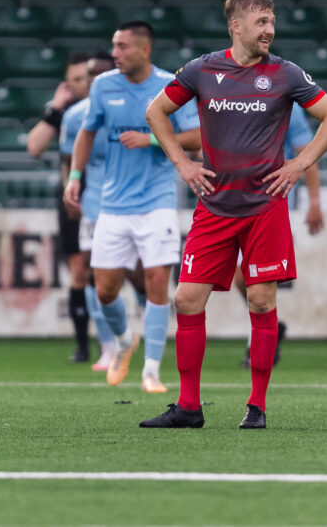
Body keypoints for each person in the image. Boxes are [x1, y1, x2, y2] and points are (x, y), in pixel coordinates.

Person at [140, 0, 327, 429]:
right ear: (236, 26)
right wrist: (181, 162)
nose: (269, 30)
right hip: (214, 206)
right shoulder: (202, 70)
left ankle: (257, 406)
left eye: (272, 21)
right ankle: (189, 407)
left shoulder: (286, 74)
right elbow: (156, 111)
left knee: (260, 299)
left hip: (264, 207)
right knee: (186, 300)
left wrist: (300, 163)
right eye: (261, 22)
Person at [65, 22, 201, 393]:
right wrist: (75, 175)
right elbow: (87, 132)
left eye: (122, 46)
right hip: (112, 204)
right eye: (114, 46)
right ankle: (125, 341)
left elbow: (198, 137)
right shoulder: (104, 85)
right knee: (105, 290)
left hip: (157, 201)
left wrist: (152, 138)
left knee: (158, 282)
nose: (115, 53)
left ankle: (152, 371)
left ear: (145, 49)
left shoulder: (169, 86)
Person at [60, 52, 143, 371]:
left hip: (135, 204)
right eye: (90, 76)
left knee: (140, 277)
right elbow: (69, 160)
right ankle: (109, 346)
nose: (94, 81)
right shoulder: (76, 116)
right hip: (95, 205)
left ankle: (154, 341)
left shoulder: (138, 109)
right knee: (94, 276)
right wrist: (71, 191)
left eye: (100, 75)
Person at [236, 107, 325, 369]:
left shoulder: (286, 104)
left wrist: (315, 202)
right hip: (235, 198)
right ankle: (268, 330)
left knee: (255, 278)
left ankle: (260, 341)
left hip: (272, 199)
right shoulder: (229, 94)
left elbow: (305, 153)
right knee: (241, 278)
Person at [27, 53, 99, 362]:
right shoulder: (67, 112)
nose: (81, 85)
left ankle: (131, 340)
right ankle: (83, 345)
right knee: (79, 271)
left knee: (120, 272)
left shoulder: (111, 104)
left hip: (112, 196)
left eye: (85, 78)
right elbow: (35, 146)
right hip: (74, 196)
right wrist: (55, 107)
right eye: (74, 80)